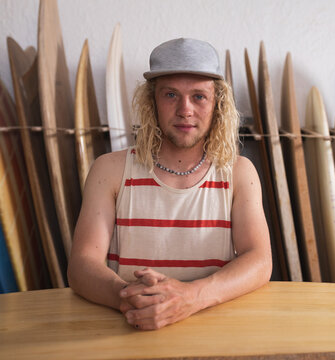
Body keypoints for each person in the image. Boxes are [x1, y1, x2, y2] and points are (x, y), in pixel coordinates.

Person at [68, 38, 272, 330]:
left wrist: (190, 297)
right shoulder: (110, 170)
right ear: (152, 102)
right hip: (128, 326)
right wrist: (127, 298)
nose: (185, 109)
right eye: (171, 95)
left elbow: (260, 261)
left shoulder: (239, 173)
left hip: (214, 331)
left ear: (218, 104)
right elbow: (81, 265)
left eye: (199, 96)